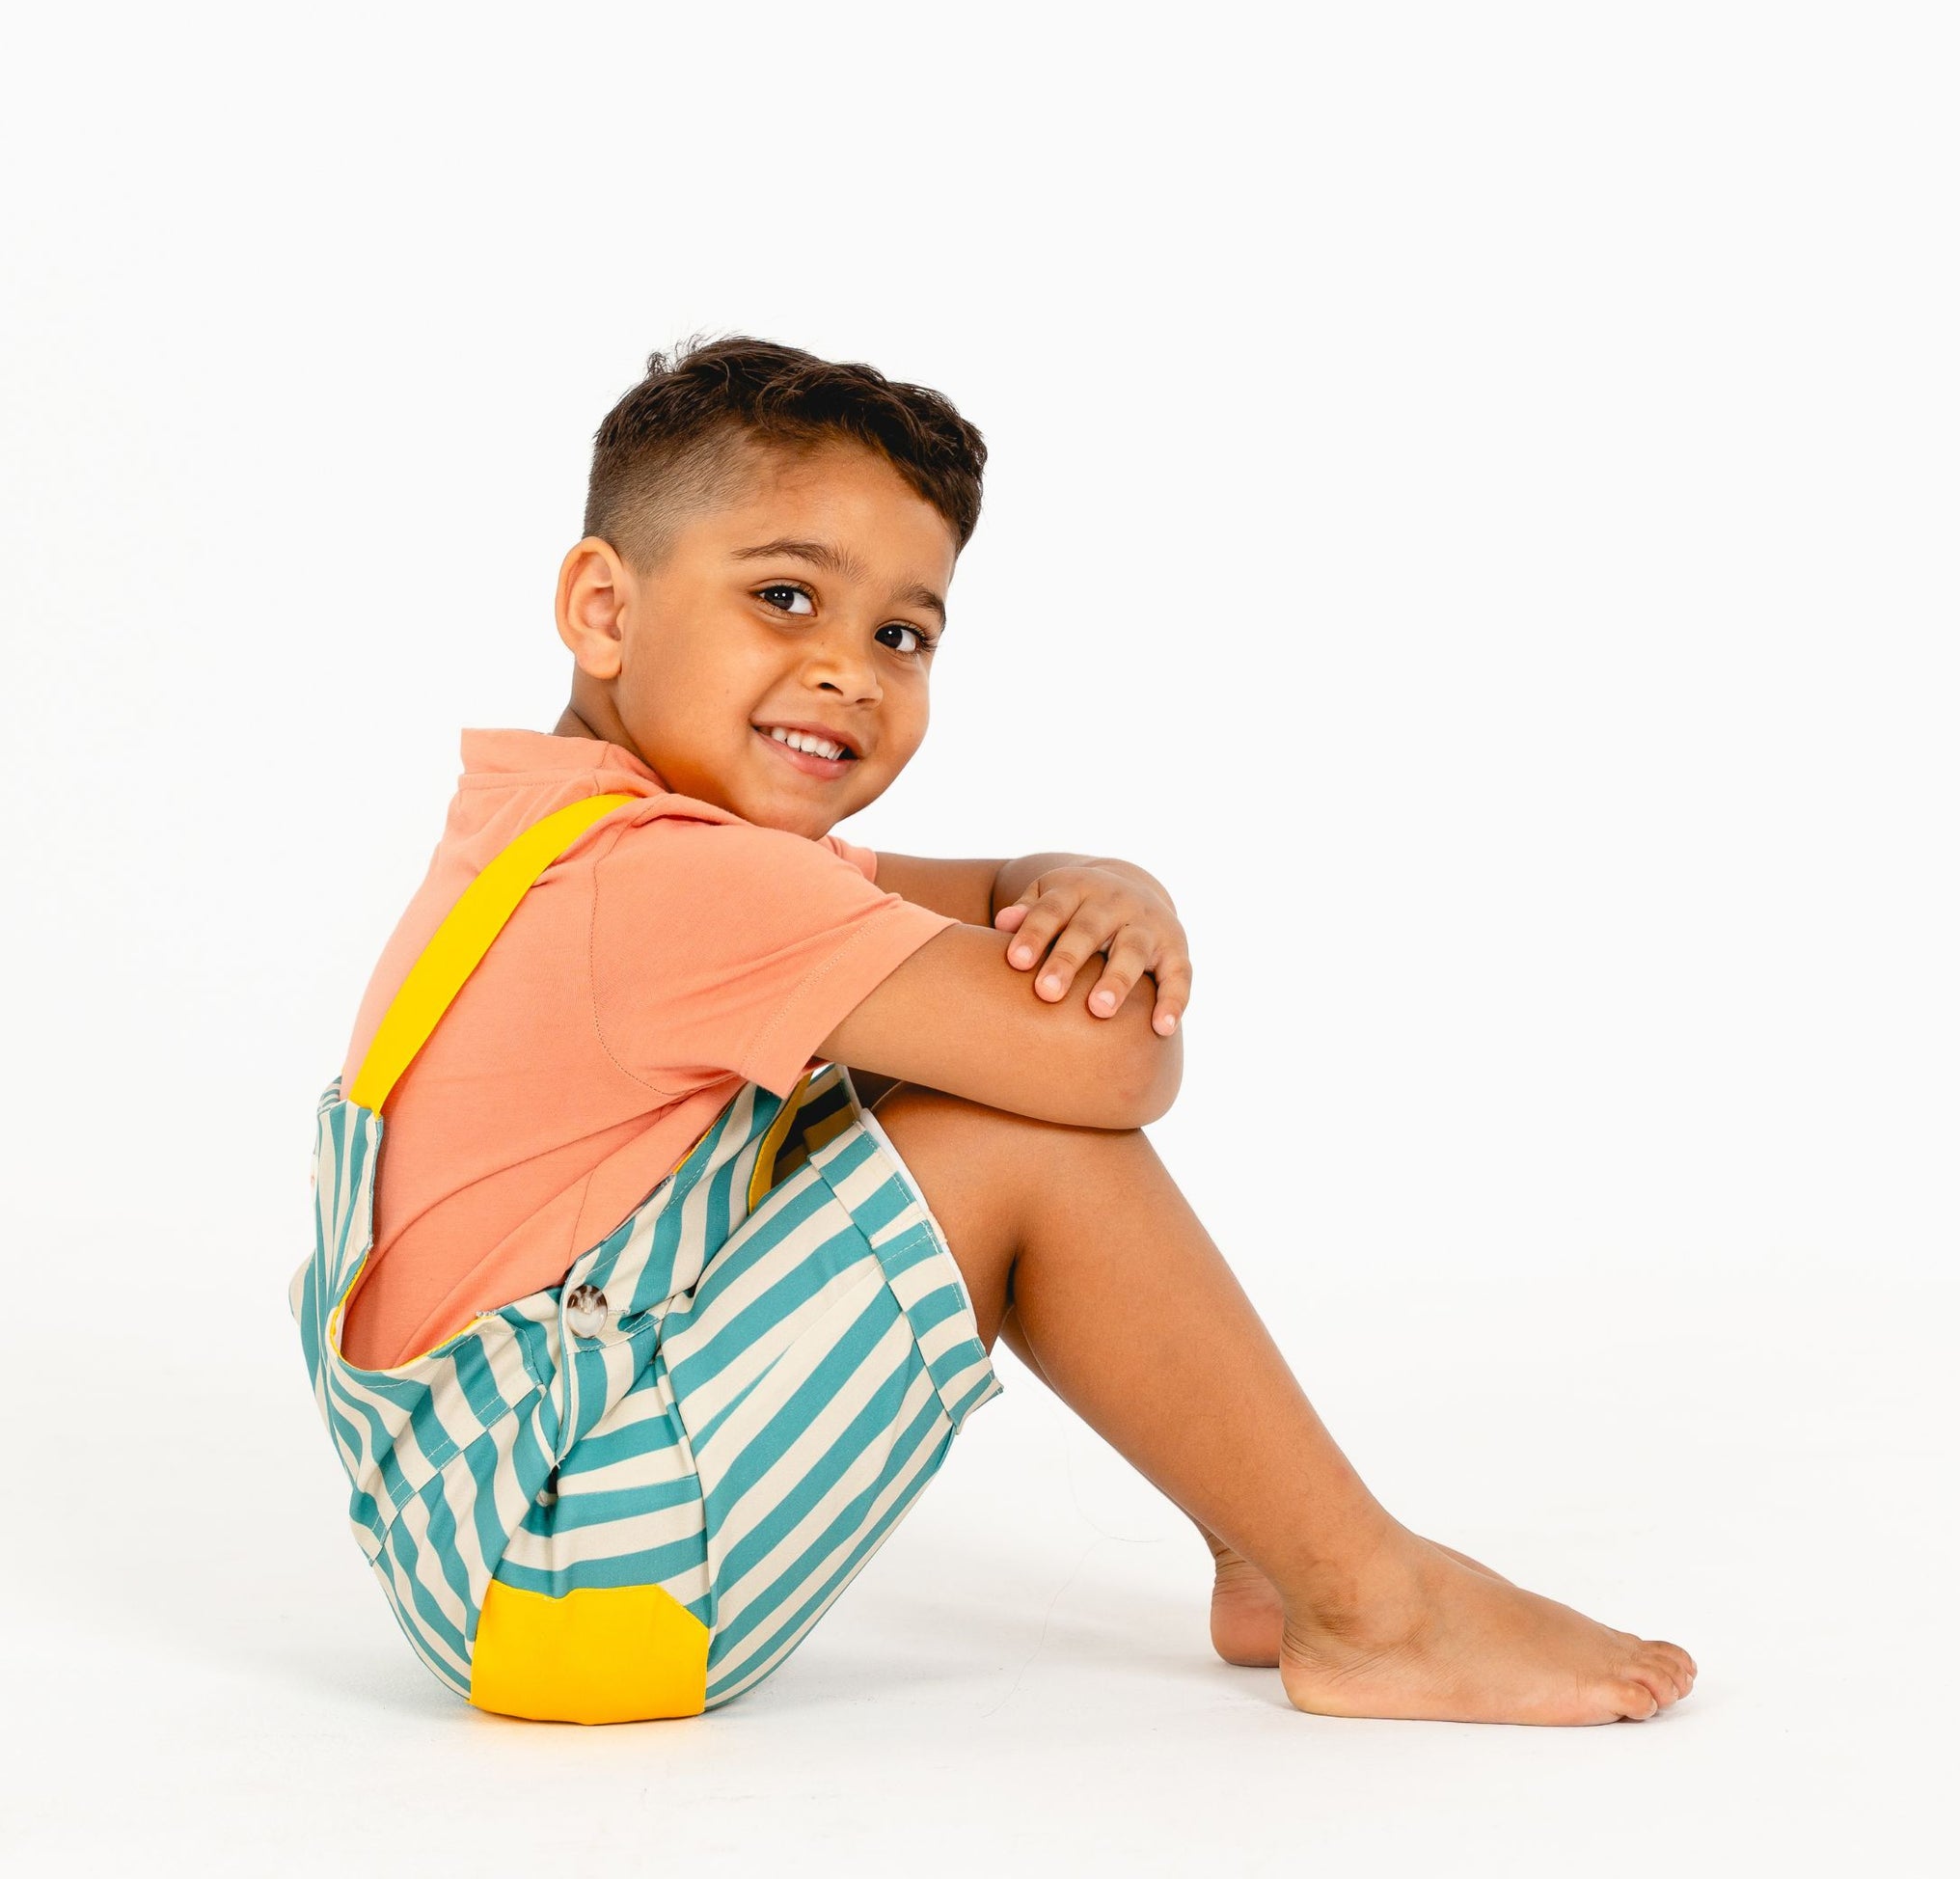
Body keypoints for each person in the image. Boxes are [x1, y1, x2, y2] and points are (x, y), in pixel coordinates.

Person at [294, 336, 1695, 1725]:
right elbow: (1108, 1066)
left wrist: (1101, 888)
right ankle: (1372, 1606)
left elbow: (985, 897)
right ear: (604, 609)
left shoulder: (557, 832)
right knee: (1016, 1137)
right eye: (786, 597)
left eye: (902, 634)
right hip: (581, 1586)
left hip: (496, 1560)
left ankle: (1272, 1550)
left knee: (939, 1062)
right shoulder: (672, 884)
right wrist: (1113, 956)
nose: (850, 671)